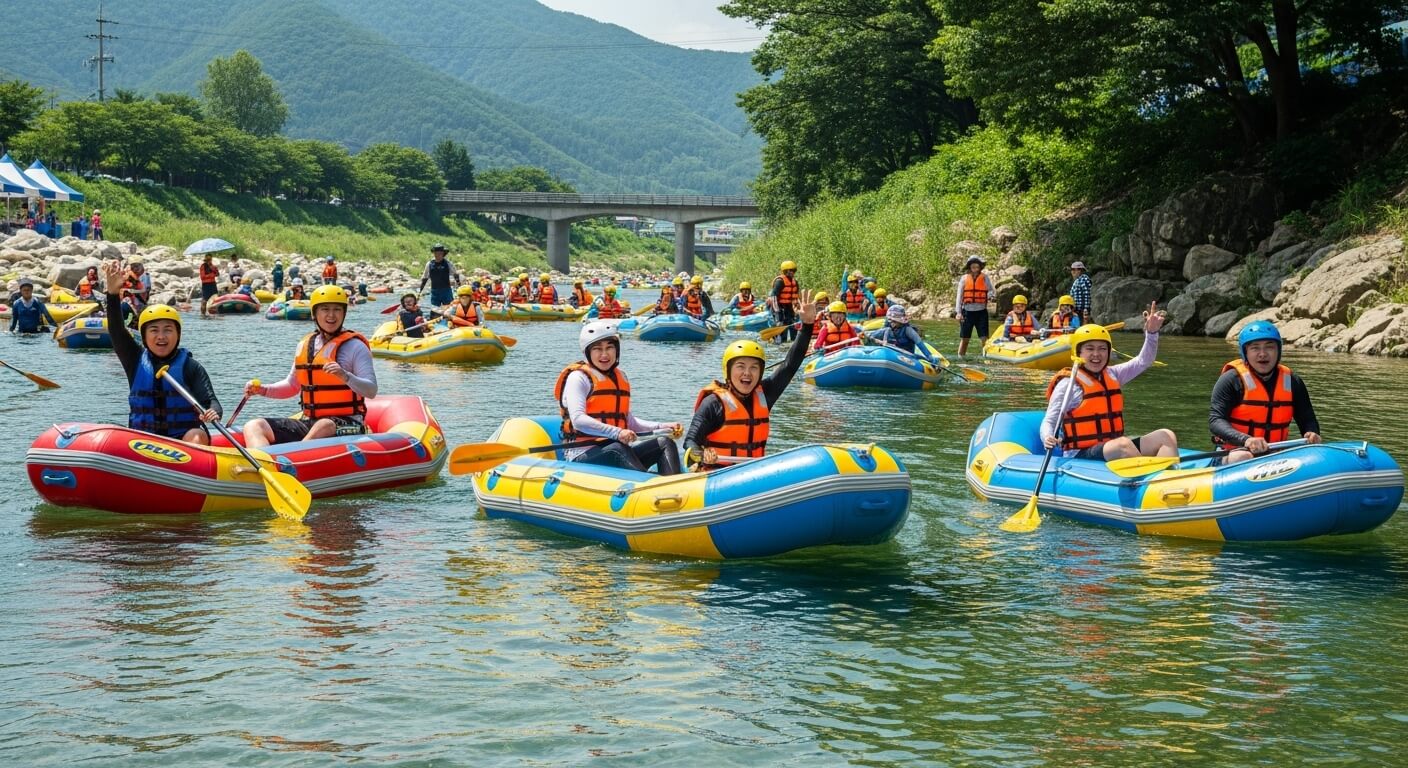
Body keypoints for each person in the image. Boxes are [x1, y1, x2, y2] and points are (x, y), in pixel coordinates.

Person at [684, 290, 820, 471]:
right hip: (717, 475)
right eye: (740, 366)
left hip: (753, 474)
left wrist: (807, 325)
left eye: (754, 367)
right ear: (729, 370)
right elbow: (690, 442)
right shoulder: (713, 403)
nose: (747, 373)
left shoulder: (765, 394)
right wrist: (701, 454)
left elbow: (790, 365)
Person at [96, 261, 220, 444]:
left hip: (183, 441)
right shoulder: (135, 360)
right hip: (144, 443)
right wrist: (113, 294)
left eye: (168, 330)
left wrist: (213, 412)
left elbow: (211, 401)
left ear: (177, 335)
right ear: (145, 336)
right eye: (154, 330)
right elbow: (116, 331)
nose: (161, 336)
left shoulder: (190, 367)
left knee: (198, 435)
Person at [241, 285, 377, 448]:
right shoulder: (305, 345)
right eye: (325, 309)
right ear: (314, 313)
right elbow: (291, 386)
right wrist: (262, 390)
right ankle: (266, 464)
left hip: (349, 425)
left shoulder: (355, 347)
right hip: (309, 422)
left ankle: (294, 459)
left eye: (337, 309)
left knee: (324, 425)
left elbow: (371, 391)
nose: (331, 315)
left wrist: (345, 376)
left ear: (344, 313)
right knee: (254, 426)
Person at [1041, 302, 1175, 461]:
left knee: (1166, 436)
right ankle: (1146, 479)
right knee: (1122, 445)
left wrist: (1152, 333)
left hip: (1112, 446)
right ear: (1078, 352)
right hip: (1081, 454)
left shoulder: (1113, 374)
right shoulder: (1069, 384)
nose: (1096, 354)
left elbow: (1144, 361)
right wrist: (1047, 437)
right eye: (1090, 349)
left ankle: (1167, 479)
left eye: (1102, 349)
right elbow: (1049, 420)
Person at [554, 321, 683, 474]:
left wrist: (662, 427)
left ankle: (672, 487)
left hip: (616, 450)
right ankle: (646, 489)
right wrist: (617, 433)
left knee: (664, 443)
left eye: (609, 347)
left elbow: (629, 421)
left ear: (617, 350)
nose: (604, 354)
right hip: (583, 455)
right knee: (618, 448)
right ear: (587, 352)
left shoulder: (621, 377)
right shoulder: (578, 378)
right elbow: (578, 420)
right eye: (597, 349)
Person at [1210, 321, 1322, 465]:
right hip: (1236, 451)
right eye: (1255, 348)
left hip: (1276, 452)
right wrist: (1247, 440)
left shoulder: (1292, 381)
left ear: (1278, 351)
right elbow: (1216, 421)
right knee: (1242, 457)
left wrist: (1311, 432)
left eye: (1269, 347)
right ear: (1245, 353)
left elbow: (1307, 418)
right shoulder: (1231, 380)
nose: (1262, 354)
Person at [866, 305, 937, 364]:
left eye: (895, 321)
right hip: (891, 356)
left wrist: (930, 357)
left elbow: (920, 344)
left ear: (901, 320)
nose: (892, 323)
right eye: (891, 320)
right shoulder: (887, 330)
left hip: (907, 357)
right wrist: (864, 335)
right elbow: (871, 335)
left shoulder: (908, 330)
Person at [953, 256, 993, 357]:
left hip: (981, 312)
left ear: (980, 267)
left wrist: (989, 296)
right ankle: (960, 359)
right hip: (967, 312)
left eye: (977, 266)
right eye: (973, 267)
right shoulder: (964, 278)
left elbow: (991, 291)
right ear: (969, 267)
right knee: (965, 339)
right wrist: (958, 312)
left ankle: (986, 359)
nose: (975, 269)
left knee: (984, 338)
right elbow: (959, 296)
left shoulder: (985, 278)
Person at [768, 260, 801, 342]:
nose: (793, 272)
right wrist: (777, 312)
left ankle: (793, 342)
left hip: (789, 307)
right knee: (782, 325)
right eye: (791, 270)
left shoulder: (795, 282)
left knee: (793, 325)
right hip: (779, 306)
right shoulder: (780, 281)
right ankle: (780, 341)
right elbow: (774, 297)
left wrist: (797, 308)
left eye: (794, 270)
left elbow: (795, 297)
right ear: (785, 271)